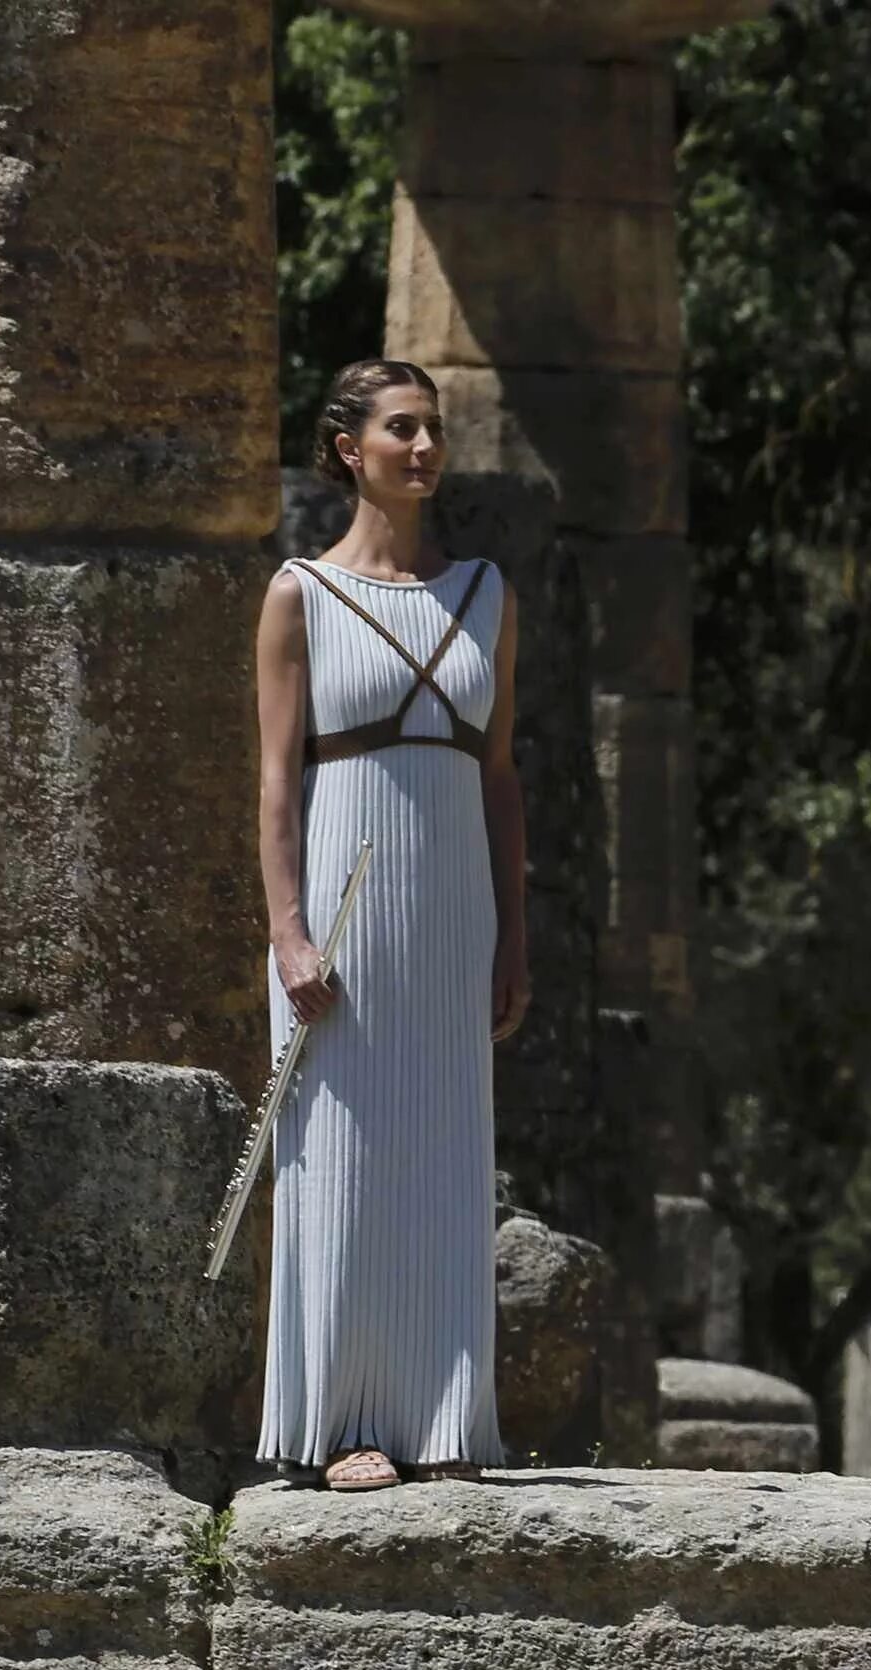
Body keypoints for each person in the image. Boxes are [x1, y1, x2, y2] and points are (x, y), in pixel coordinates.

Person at [256, 359, 531, 1491]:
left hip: (450, 897)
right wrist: (286, 931)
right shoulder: (298, 595)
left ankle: (446, 1413)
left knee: (445, 1143)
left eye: (435, 431)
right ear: (347, 449)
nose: (424, 449)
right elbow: (276, 783)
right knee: (346, 1150)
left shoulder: (485, 592)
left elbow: (502, 774)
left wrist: (515, 933)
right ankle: (345, 1423)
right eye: (402, 429)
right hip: (341, 898)